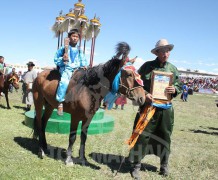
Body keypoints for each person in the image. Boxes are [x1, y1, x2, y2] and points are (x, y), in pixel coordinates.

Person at [128, 39, 182, 179]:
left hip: (165, 109)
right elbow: (136, 84)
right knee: (142, 135)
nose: (166, 53)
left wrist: (174, 89)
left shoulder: (173, 69)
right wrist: (145, 95)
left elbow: (179, 85)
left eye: (168, 50)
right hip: (148, 108)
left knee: (165, 135)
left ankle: (164, 165)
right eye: (163, 51)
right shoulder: (147, 66)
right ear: (157, 52)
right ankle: (136, 166)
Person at [54, 28, 88, 115]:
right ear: (69, 37)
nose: (75, 38)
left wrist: (84, 65)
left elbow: (83, 60)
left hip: (77, 69)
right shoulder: (63, 48)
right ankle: (60, 102)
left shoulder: (79, 50)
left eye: (77, 37)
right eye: (73, 36)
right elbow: (56, 59)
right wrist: (63, 59)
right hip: (66, 69)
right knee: (64, 82)